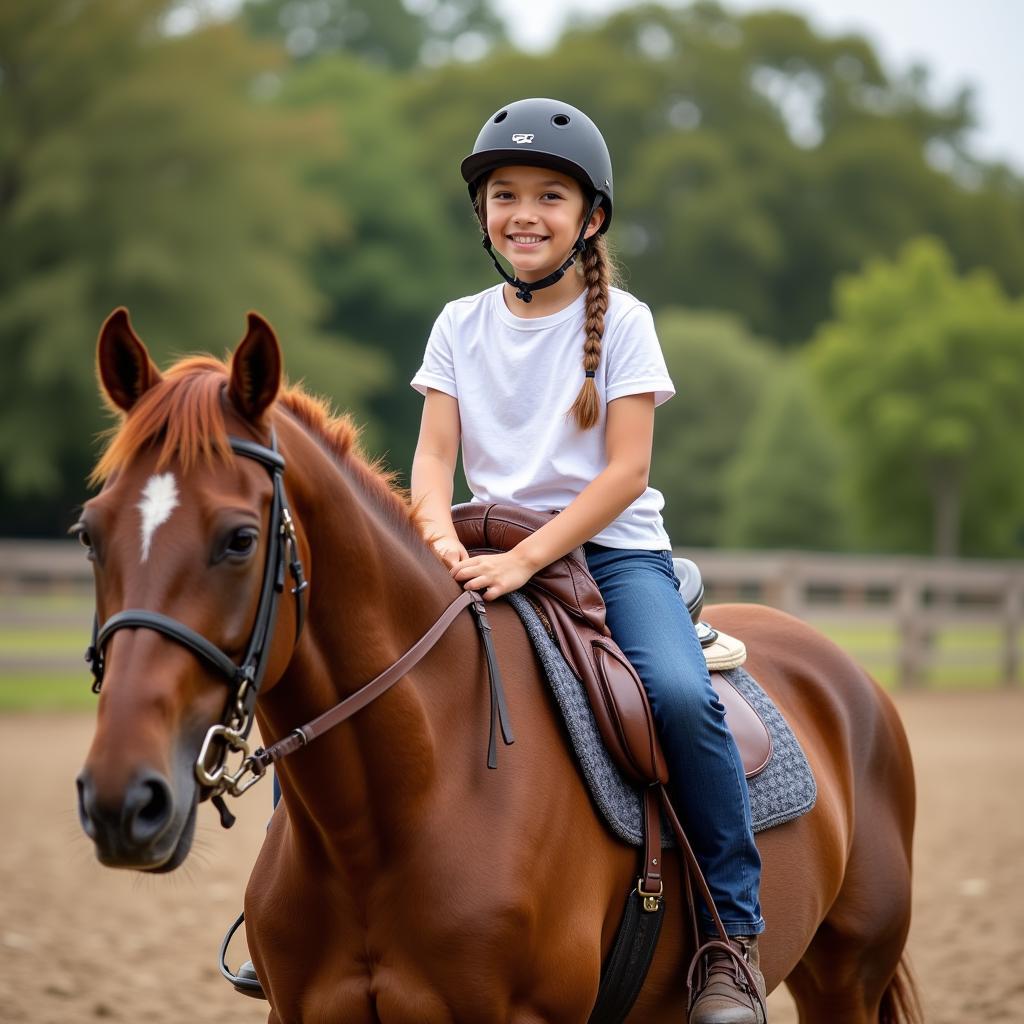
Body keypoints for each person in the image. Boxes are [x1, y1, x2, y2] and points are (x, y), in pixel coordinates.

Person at [409, 97, 767, 1024]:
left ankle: (731, 938)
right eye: (504, 195)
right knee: (350, 668)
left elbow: (624, 474)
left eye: (549, 196)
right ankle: (312, 908)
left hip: (610, 557)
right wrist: (437, 534)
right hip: (480, 546)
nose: (524, 213)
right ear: (482, 213)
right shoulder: (458, 322)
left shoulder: (630, 322)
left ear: (591, 217)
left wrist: (527, 559)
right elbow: (431, 458)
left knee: (683, 701)